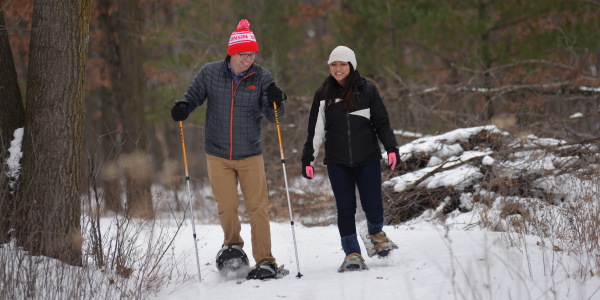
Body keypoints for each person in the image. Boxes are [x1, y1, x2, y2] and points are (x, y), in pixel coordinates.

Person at [171, 19, 288, 280]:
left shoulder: (262, 76)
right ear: (232, 53)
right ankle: (233, 248)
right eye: (243, 54)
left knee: (258, 207)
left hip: (250, 154)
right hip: (217, 152)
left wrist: (277, 102)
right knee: (226, 206)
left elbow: (274, 116)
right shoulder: (210, 73)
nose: (248, 59)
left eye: (252, 54)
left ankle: (266, 261)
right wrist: (183, 108)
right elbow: (192, 98)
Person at [301, 46, 400, 272]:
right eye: (333, 64)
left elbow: (382, 123)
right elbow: (315, 131)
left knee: (373, 205)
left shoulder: (368, 91)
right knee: (345, 209)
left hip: (368, 159)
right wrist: (308, 159)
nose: (337, 69)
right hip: (338, 162)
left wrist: (392, 148)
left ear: (351, 66)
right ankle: (352, 254)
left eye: (342, 64)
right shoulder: (322, 94)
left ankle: (376, 234)